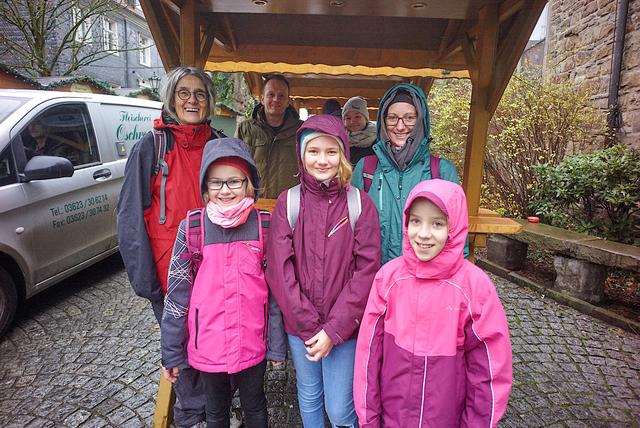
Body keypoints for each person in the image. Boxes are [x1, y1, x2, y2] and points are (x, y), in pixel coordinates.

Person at [353, 179, 513, 427]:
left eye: (437, 223)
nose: (424, 233)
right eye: (416, 221)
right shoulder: (388, 279)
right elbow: (368, 356)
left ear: (455, 227)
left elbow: (489, 371)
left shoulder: (475, 288)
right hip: (393, 418)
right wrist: (369, 419)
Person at [117, 66, 223, 428]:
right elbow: (130, 217)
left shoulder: (220, 144)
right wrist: (144, 279)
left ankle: (218, 414)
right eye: (184, 93)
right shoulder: (151, 146)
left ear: (210, 101)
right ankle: (193, 418)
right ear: (171, 98)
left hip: (217, 271)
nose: (192, 100)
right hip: (170, 275)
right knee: (184, 354)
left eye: (200, 94)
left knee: (215, 345)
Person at [161, 138, 287, 428]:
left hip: (252, 340)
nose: (225, 190)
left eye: (234, 181)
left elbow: (276, 294)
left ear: (248, 184)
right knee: (215, 409)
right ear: (205, 186)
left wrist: (276, 346)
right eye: (216, 183)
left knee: (255, 405)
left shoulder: (264, 226)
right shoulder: (192, 227)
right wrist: (171, 351)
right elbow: (178, 296)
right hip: (209, 343)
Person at [266, 114, 381, 428]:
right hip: (300, 326)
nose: (322, 159)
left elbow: (367, 272)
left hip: (344, 330)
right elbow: (279, 270)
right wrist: (308, 324)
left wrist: (332, 330)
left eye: (331, 151)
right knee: (309, 394)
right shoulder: (288, 203)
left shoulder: (360, 205)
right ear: (302, 155)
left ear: (343, 154)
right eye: (313, 151)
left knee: (341, 408)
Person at [351, 83, 462, 264]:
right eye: (392, 118)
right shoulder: (366, 170)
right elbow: (350, 232)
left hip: (427, 284)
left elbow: (456, 237)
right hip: (376, 282)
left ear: (421, 121)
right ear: (382, 121)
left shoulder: (441, 171)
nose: (400, 126)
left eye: (409, 118)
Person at [236, 74, 303, 198]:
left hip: (289, 205)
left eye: (281, 95)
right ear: (262, 98)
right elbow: (235, 168)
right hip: (253, 205)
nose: (276, 99)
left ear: (288, 101)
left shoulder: (302, 131)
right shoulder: (245, 129)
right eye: (271, 94)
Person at [341, 96, 376, 165]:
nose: (352, 121)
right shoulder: (339, 140)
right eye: (348, 118)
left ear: (366, 118)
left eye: (357, 117)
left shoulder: (379, 140)